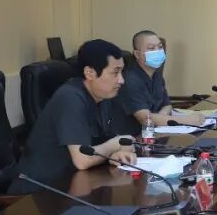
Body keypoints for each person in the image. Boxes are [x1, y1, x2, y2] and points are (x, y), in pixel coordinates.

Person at [7, 39, 137, 194]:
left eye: (122, 72)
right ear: (90, 73)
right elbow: (82, 160)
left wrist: (116, 153)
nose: (121, 80)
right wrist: (113, 146)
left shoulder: (102, 97)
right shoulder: (70, 98)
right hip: (39, 193)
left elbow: (114, 141)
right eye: (115, 73)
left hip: (74, 184)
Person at [117, 30, 205, 135]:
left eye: (160, 47)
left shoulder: (156, 75)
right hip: (134, 137)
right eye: (151, 48)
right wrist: (187, 120)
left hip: (156, 133)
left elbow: (167, 105)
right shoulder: (131, 80)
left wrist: (160, 118)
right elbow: (145, 119)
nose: (157, 51)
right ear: (137, 54)